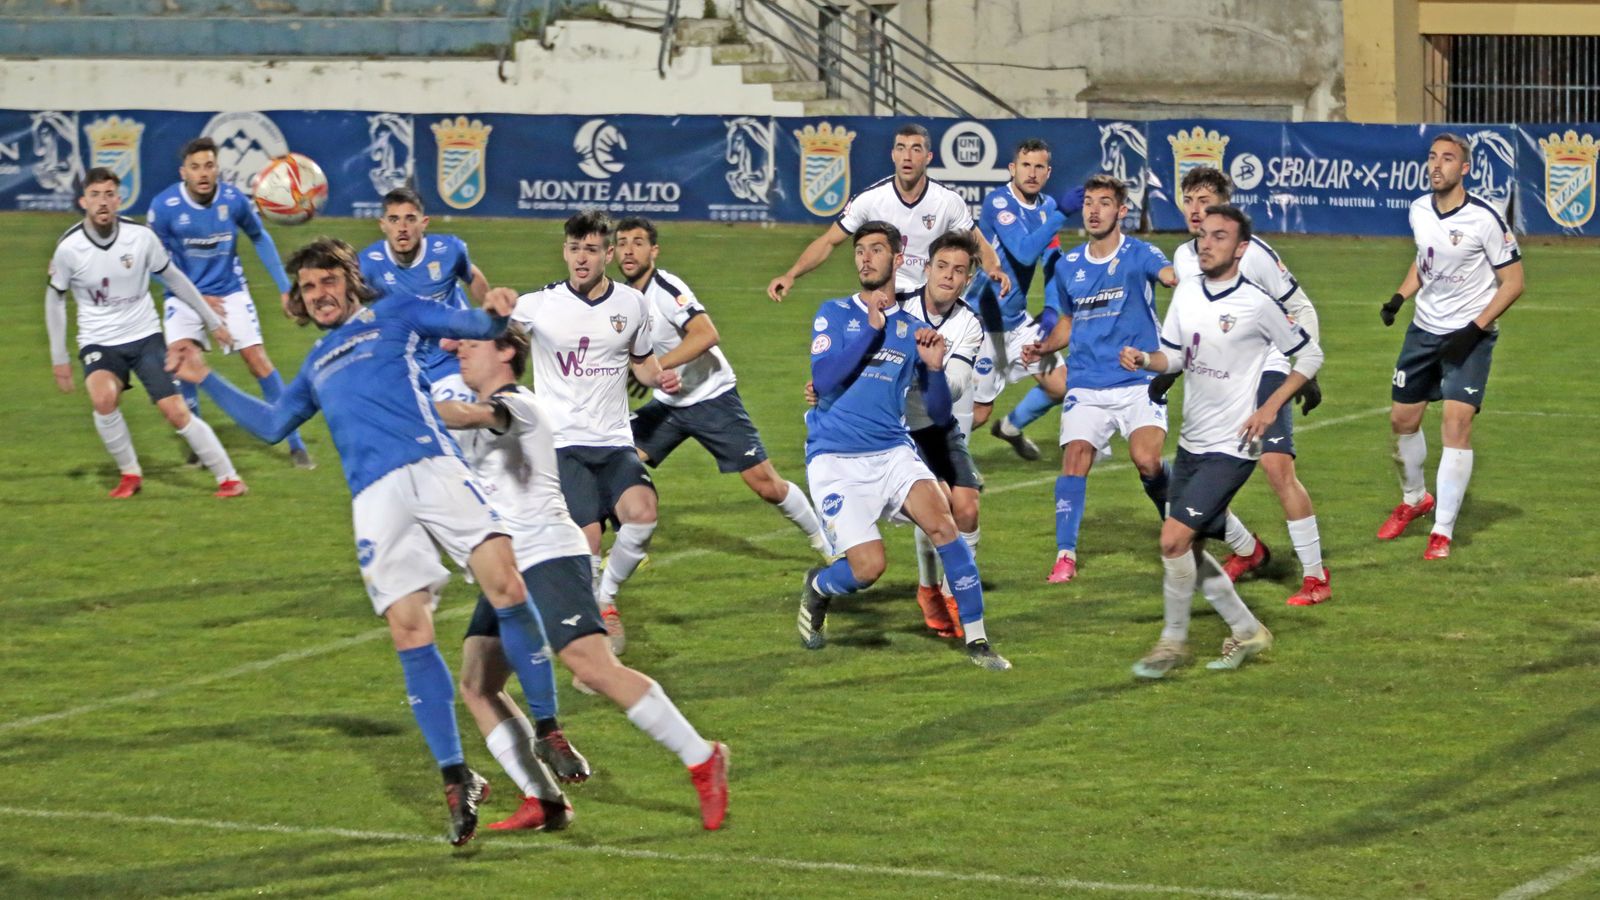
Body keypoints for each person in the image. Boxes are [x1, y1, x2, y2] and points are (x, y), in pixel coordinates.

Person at [165, 237, 628, 846]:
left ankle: (547, 727)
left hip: (434, 467)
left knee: (506, 583)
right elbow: (275, 424)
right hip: (375, 498)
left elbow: (473, 322)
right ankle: (455, 775)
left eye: (328, 281)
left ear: (349, 282)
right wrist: (207, 378)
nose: (320, 294)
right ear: (300, 301)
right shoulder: (317, 363)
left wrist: (495, 311)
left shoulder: (396, 312)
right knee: (410, 631)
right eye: (308, 288)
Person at [436, 327, 731, 832]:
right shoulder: (472, 412)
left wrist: (416, 404)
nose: (463, 351)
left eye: (475, 344)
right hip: (504, 566)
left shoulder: (519, 404)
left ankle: (703, 757)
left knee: (591, 667)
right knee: (478, 683)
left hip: (549, 553)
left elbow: (476, 415)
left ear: (506, 353)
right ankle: (545, 800)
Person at [1118, 205, 1322, 679]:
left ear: (1241, 248)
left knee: (1172, 540)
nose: (1206, 244)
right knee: (1185, 546)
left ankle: (1172, 643)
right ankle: (1248, 629)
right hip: (1193, 441)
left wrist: (1271, 407)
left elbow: (1309, 352)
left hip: (1233, 447)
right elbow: (1174, 354)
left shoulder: (1257, 303)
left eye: (1220, 237)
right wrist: (1146, 360)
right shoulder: (1187, 292)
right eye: (1203, 236)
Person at [799, 221, 1010, 671]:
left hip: (893, 452)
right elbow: (824, 379)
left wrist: (933, 368)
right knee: (867, 568)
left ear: (897, 260)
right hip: (836, 458)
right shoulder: (834, 312)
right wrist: (871, 331)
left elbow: (936, 411)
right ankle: (818, 587)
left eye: (877, 250)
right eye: (860, 251)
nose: (866, 258)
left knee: (946, 524)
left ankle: (977, 640)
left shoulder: (913, 330)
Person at [511, 212, 682, 656]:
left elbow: (641, 362)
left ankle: (604, 598)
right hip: (562, 443)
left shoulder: (631, 304)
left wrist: (659, 376)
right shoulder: (539, 305)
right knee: (585, 541)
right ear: (564, 252)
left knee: (642, 513)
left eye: (590, 250)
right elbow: (497, 339)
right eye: (573, 249)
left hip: (613, 440)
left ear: (607, 254)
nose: (581, 258)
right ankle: (580, 628)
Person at [614, 216, 829, 559]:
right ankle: (629, 545)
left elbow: (707, 334)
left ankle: (823, 540)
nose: (629, 250)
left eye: (638, 242)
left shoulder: (667, 290)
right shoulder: (621, 298)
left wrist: (654, 368)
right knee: (615, 458)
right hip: (670, 402)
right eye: (622, 243)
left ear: (654, 250)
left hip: (711, 397)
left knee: (766, 485)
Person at [1166, 166, 1331, 606]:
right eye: (1190, 201)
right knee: (1206, 468)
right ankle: (1248, 550)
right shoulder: (1185, 258)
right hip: (1219, 379)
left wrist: (1305, 369)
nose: (1197, 211)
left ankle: (1316, 576)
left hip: (1267, 366)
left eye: (1206, 201)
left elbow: (1299, 305)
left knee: (1277, 467)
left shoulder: (1252, 253)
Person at [46, 166, 246, 499]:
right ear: (83, 201)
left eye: (109, 194)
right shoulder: (69, 248)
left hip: (145, 336)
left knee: (176, 412)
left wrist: (212, 321)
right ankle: (129, 474)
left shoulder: (140, 238)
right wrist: (59, 356)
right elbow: (54, 298)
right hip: (99, 341)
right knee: (103, 397)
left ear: (119, 198)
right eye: (95, 195)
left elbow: (175, 279)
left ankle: (229, 478)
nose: (103, 202)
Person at [1023, 175, 1176, 584]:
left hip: (1136, 379)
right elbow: (1068, 324)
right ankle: (1065, 555)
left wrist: (1176, 277)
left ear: (1121, 211)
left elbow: (1168, 274)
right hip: (1086, 383)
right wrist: (1043, 348)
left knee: (1146, 460)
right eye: (1088, 201)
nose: (1093, 210)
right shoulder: (1068, 266)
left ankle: (1176, 521)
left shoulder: (1138, 252)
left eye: (1104, 203)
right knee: (1075, 458)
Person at [1377, 132, 1524, 560]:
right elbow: (1426, 261)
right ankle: (1414, 499)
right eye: (1432, 157)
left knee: (1456, 425)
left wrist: (1475, 330)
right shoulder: (1419, 210)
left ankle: (1442, 531)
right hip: (1423, 331)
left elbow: (1513, 282)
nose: (1436, 165)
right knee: (1402, 421)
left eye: (1448, 158)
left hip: (1469, 337)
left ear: (1465, 169)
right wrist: (1400, 297)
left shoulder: (1485, 219)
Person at [148, 137, 311, 469]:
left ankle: (295, 444)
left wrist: (284, 288)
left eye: (209, 165)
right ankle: (198, 448)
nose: (203, 173)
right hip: (184, 296)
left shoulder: (234, 200)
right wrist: (194, 298)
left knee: (258, 362)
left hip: (230, 291)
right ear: (184, 173)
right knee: (183, 360)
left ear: (217, 168)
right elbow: (150, 263)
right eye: (195, 167)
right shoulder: (163, 208)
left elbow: (259, 237)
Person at [766, 122, 1008, 300]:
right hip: (884, 299)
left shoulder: (948, 201)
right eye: (901, 148)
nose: (907, 156)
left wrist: (994, 270)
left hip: (929, 302)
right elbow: (829, 241)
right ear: (893, 155)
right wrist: (791, 274)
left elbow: (979, 244)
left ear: (928, 157)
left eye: (915, 149)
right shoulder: (870, 199)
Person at [894, 232, 987, 637]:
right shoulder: (897, 306)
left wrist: (930, 368)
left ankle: (950, 593)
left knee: (966, 507)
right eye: (943, 266)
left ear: (967, 280)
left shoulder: (969, 324)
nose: (949, 276)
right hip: (893, 427)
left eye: (959, 270)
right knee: (933, 506)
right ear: (927, 268)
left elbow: (954, 387)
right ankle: (929, 588)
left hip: (936, 424)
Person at [968, 138, 1081, 462]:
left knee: (1060, 385)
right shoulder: (999, 203)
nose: (1031, 173)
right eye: (1025, 165)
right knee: (978, 411)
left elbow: (1052, 261)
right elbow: (1023, 250)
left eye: (1039, 167)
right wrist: (1060, 214)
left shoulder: (1046, 208)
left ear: (1048, 172)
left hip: (1017, 323)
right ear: (1012, 168)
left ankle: (1011, 427)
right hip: (983, 323)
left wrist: (1050, 308)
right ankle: (926, 454)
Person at [358, 186, 491, 413]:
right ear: (383, 225)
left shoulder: (448, 251)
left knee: (457, 431)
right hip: (403, 368)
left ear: (424, 222)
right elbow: (353, 308)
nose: (402, 228)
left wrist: (489, 318)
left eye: (410, 219)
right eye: (394, 219)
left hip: (448, 363)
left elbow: (473, 276)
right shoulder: (368, 263)